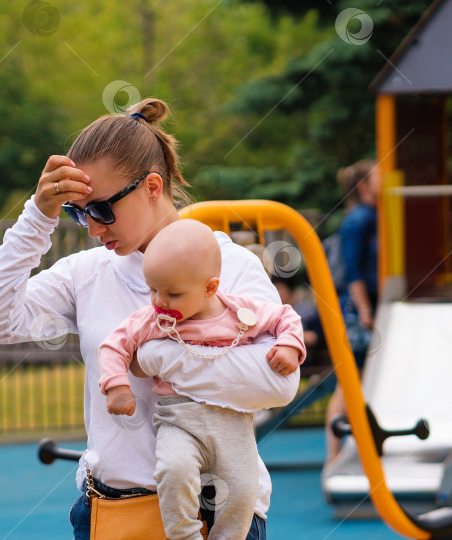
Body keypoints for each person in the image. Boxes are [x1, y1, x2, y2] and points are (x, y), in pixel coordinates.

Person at [0, 97, 299, 540]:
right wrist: (37, 217)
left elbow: (278, 384)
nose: (91, 227)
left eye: (102, 209)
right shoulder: (87, 273)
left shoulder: (229, 265)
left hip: (212, 512)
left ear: (152, 187)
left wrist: (162, 359)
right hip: (111, 511)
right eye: (77, 211)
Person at [99, 219, 306, 539]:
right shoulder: (156, 318)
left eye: (172, 293)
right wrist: (116, 385)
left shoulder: (239, 313)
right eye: (153, 290)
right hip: (179, 419)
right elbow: (116, 343)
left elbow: (284, 317)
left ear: (210, 288)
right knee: (173, 471)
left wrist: (290, 346)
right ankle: (185, 535)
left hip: (231, 422)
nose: (159, 302)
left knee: (241, 489)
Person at [324, 159, 381, 463]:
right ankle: (333, 456)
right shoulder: (358, 220)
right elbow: (352, 270)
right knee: (350, 380)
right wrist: (364, 309)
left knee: (357, 379)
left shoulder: (371, 216)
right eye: (378, 178)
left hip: (363, 305)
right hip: (355, 308)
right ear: (364, 186)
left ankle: (348, 451)